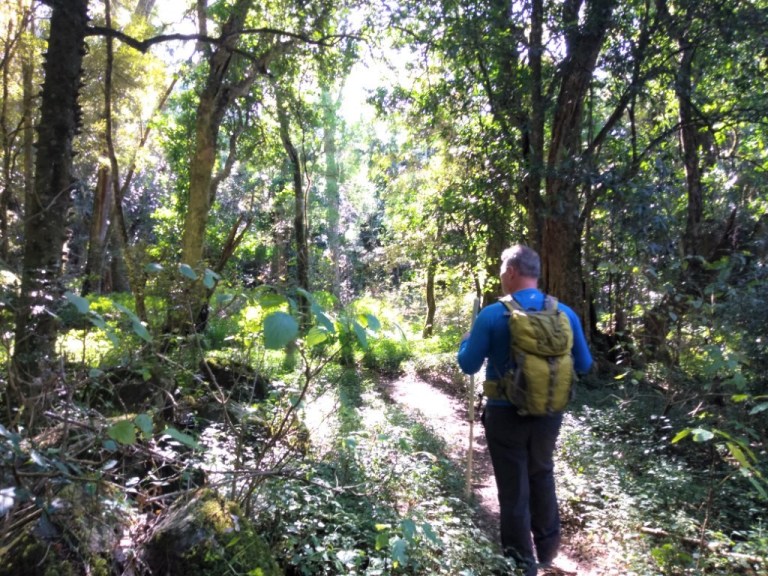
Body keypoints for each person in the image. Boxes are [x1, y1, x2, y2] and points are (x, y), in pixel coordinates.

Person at [457, 245, 592, 576]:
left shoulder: (492, 314)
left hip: (506, 414)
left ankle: (521, 563)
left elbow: (468, 363)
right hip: (549, 413)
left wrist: (466, 339)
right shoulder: (565, 313)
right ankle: (547, 550)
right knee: (542, 472)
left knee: (513, 486)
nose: (501, 276)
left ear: (513, 272)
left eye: (503, 270)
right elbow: (585, 365)